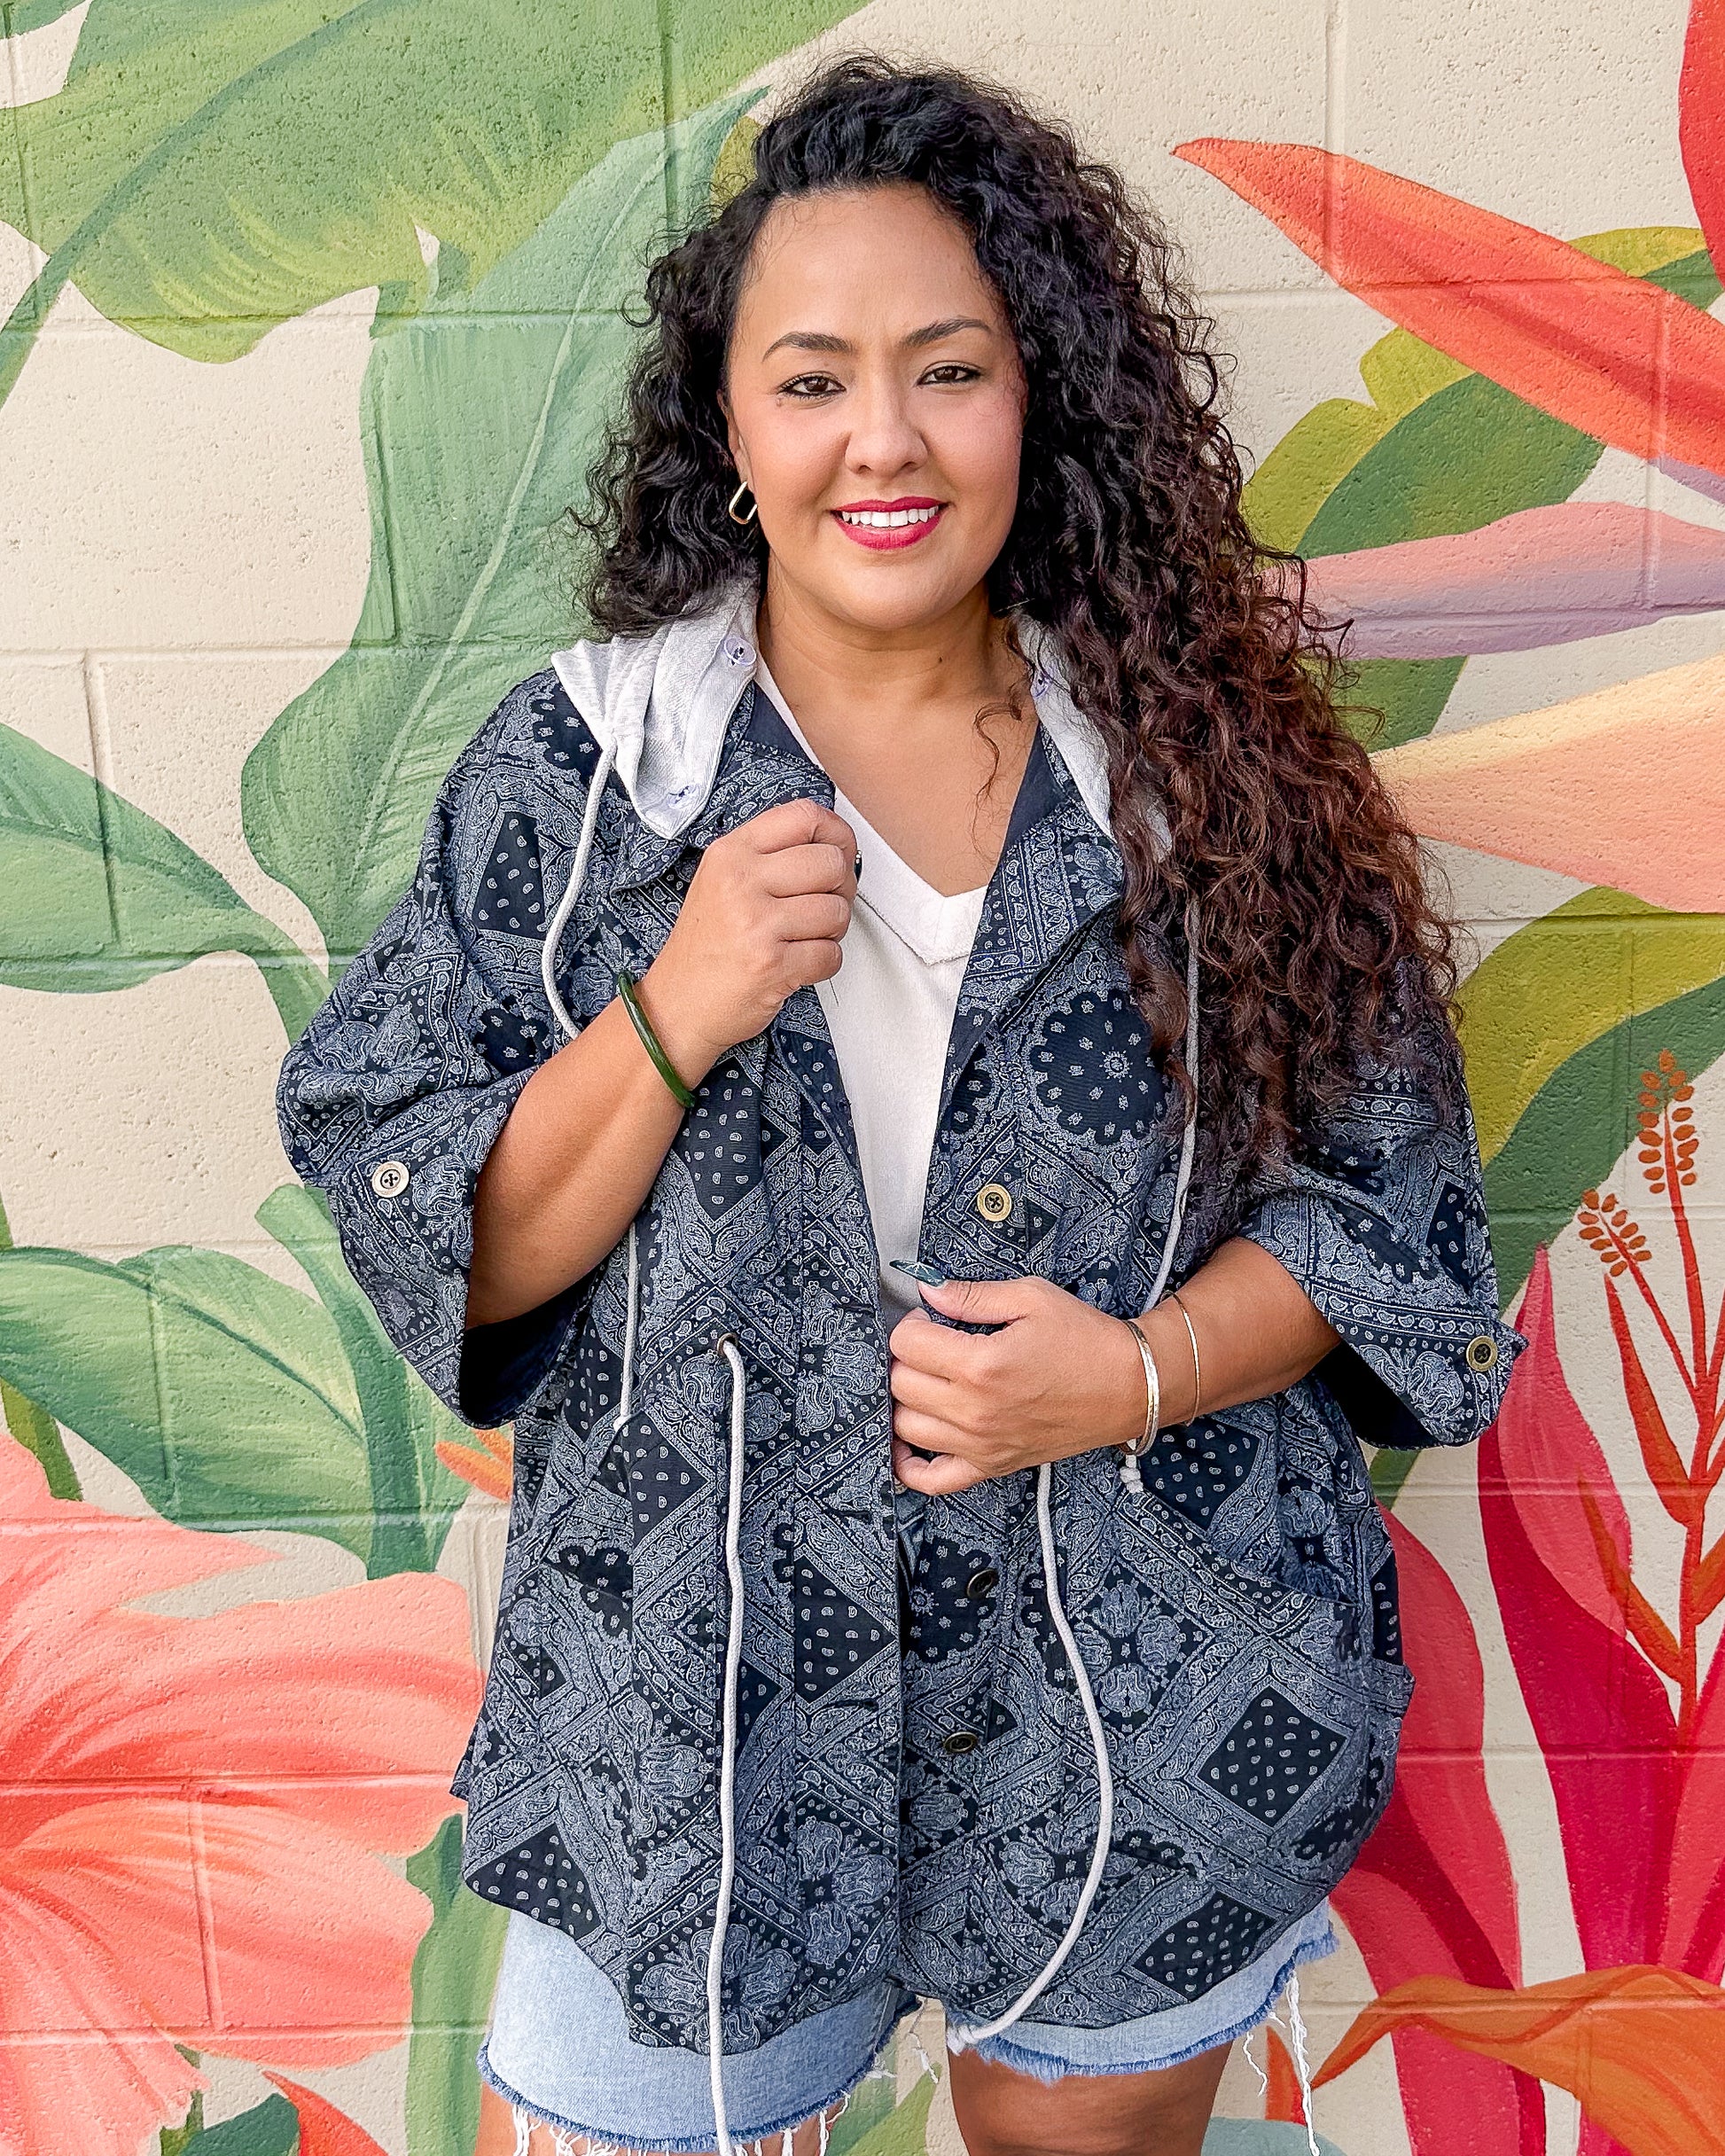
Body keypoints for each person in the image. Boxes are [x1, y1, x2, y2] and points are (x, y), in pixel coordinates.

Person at [277, 54, 1525, 2156]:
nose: (883, 439)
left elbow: (1378, 1206)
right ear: (728, 428)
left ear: (1038, 403)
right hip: (693, 1720)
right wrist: (671, 1009)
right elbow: (447, 1239)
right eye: (811, 380)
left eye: (948, 370)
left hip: (1137, 1699)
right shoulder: (587, 782)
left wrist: (1128, 1373)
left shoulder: (1205, 772)